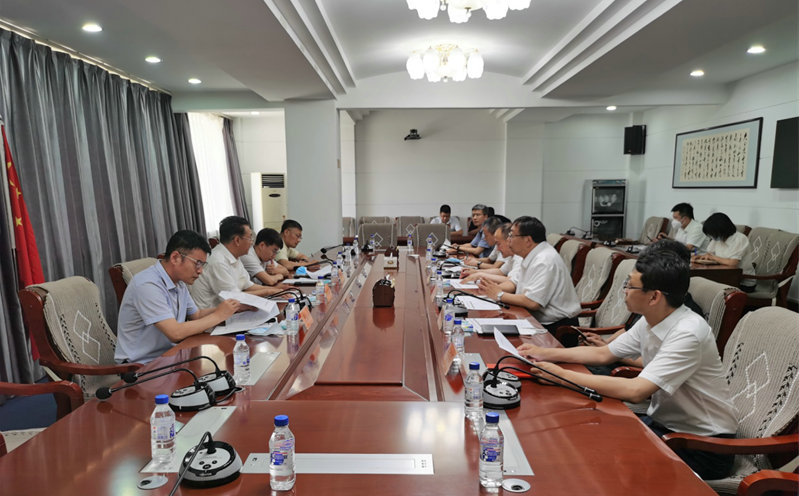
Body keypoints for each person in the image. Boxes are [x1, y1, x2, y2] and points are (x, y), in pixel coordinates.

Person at [516, 251, 737, 480]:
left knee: (599, 461)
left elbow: (635, 390)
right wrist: (545, 353)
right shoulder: (652, 319)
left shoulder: (688, 332)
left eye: (629, 286)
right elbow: (603, 353)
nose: (624, 291)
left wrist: (562, 376)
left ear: (654, 297)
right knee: (585, 435)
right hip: (665, 426)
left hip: (703, 446)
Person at [115, 230, 241, 364]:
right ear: (175, 258)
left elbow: (197, 315)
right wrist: (218, 315)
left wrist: (230, 308)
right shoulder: (147, 284)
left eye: (203, 265)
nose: (200, 271)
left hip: (171, 356)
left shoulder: (178, 282)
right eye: (197, 263)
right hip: (143, 365)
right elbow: (175, 333)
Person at [478, 216, 580, 334]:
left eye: (511, 235)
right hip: (534, 318)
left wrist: (499, 294)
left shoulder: (545, 260)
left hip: (557, 327)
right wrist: (490, 290)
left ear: (527, 240)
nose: (508, 239)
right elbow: (513, 283)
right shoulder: (530, 254)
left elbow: (532, 302)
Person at [190, 216, 285, 308]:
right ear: (237, 240)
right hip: (214, 315)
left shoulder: (235, 257)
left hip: (230, 311)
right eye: (250, 238)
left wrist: (278, 290)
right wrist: (269, 292)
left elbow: (248, 285)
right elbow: (233, 298)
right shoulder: (218, 261)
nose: (252, 243)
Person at [694, 212, 755, 291]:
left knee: (704, 289)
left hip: (742, 281)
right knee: (698, 284)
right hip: (723, 277)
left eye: (713, 234)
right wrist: (699, 258)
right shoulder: (718, 238)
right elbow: (709, 253)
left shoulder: (739, 239)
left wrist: (713, 257)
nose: (712, 237)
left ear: (721, 229)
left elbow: (732, 263)